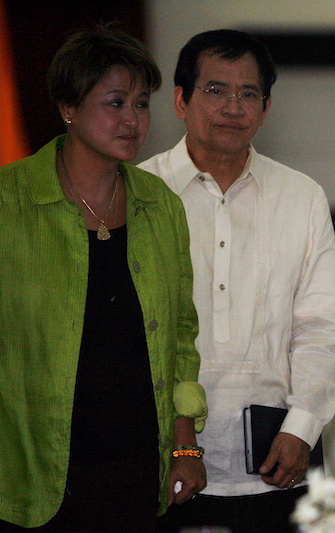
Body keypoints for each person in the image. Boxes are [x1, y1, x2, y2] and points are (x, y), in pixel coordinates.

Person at [139, 29, 335, 533]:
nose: (233, 106)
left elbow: (321, 328)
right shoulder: (143, 192)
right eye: (215, 90)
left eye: (248, 93)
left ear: (265, 107)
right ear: (181, 100)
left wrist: (302, 428)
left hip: (280, 462)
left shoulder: (302, 197)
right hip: (162, 459)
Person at [0, 27, 207, 532]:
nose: (133, 120)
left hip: (134, 470)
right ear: (68, 107)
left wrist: (185, 445)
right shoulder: (11, 200)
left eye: (141, 104)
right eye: (116, 103)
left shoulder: (161, 206)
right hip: (27, 470)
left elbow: (180, 337)